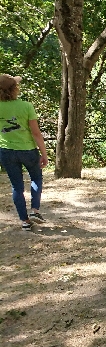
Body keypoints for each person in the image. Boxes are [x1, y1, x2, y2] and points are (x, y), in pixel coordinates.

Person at [0, 73, 48, 231]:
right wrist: (44, 153)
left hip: (6, 151)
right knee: (36, 178)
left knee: (17, 187)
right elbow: (35, 133)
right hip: (27, 150)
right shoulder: (26, 106)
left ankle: (25, 222)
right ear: (15, 89)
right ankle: (35, 210)